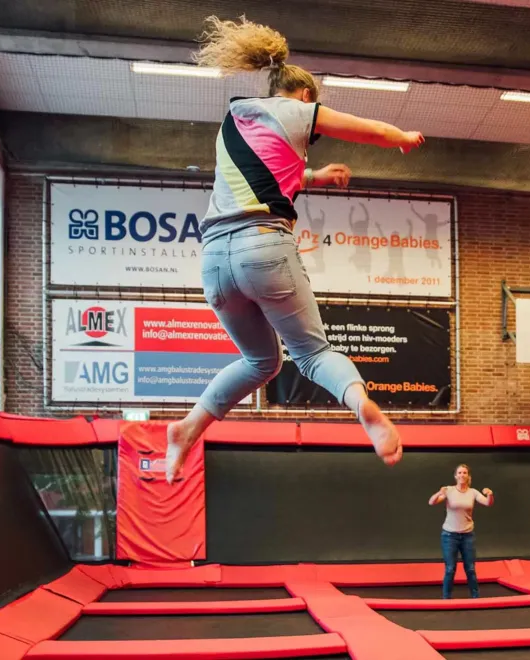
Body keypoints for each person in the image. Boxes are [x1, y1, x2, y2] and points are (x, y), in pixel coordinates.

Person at [165, 15, 425, 483]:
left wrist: (315, 177)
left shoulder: (235, 118)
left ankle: (189, 427)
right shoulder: (300, 110)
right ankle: (362, 406)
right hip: (264, 248)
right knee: (310, 354)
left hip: (215, 262)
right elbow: (365, 129)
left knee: (261, 361)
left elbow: (263, 175)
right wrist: (402, 137)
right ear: (306, 95)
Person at [428, 464, 494, 599]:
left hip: (467, 536)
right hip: (449, 536)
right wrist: (440, 493)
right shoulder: (449, 490)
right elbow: (432, 502)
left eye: (464, 473)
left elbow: (488, 503)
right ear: (456, 476)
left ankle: (476, 597)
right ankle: (446, 599)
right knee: (450, 569)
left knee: (470, 569)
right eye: (459, 473)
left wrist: (490, 494)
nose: (462, 475)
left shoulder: (473, 492)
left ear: (468, 476)